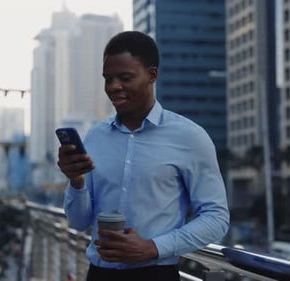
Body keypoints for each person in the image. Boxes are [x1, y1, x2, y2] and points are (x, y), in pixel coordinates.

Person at [57, 31, 230, 281]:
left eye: (125, 77)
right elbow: (78, 221)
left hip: (157, 274)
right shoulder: (95, 137)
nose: (114, 87)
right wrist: (76, 181)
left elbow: (216, 218)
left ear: (152, 75)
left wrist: (153, 247)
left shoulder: (190, 137)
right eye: (108, 78)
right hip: (98, 275)